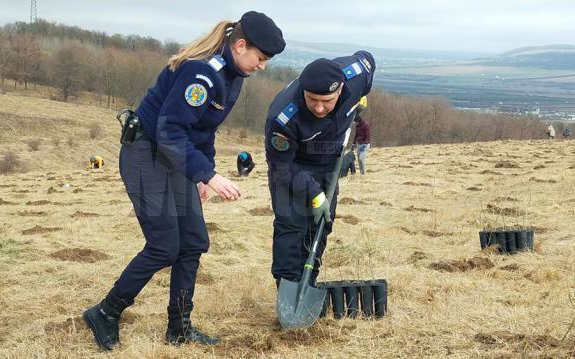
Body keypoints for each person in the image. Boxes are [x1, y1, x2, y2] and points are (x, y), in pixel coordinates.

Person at [83, 11, 285, 351]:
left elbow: (203, 130)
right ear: (240, 46)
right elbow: (170, 129)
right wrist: (209, 174)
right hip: (145, 154)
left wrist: (201, 174)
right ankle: (105, 312)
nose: (262, 66)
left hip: (175, 157)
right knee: (164, 245)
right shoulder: (203, 71)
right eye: (261, 58)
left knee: (192, 242)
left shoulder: (233, 74)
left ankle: (179, 328)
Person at [264, 52, 376, 288]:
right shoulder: (282, 117)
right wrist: (314, 194)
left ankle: (309, 282)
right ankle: (288, 286)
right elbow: (281, 167)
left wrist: (360, 100)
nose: (319, 107)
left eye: (327, 100)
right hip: (293, 165)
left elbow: (368, 60)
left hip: (328, 164)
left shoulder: (357, 75)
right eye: (312, 99)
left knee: (321, 226)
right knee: (291, 227)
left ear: (341, 88)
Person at [353, 104, 371, 175]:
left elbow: (368, 135)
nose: (355, 123)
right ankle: (361, 174)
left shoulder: (366, 125)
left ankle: (363, 174)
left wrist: (365, 143)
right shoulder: (357, 126)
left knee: (361, 158)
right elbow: (356, 135)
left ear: (358, 121)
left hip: (365, 145)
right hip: (359, 144)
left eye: (355, 122)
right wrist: (353, 143)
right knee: (359, 160)